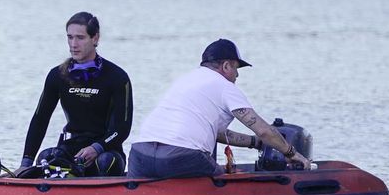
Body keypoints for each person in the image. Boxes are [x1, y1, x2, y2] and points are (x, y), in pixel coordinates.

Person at [127, 39, 311, 179]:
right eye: (236, 68)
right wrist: (292, 154)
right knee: (223, 174)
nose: (237, 74)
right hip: (179, 159)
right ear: (225, 66)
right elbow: (263, 130)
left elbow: (215, 132)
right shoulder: (225, 86)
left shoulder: (184, 81)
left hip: (140, 155)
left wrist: (255, 143)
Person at [20, 11, 133, 176]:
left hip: (107, 151)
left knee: (106, 162)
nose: (73, 44)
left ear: (95, 38)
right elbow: (40, 119)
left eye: (80, 38)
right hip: (71, 149)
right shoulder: (57, 75)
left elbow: (122, 128)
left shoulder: (117, 77)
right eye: (70, 37)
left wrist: (97, 148)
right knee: (46, 157)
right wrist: (25, 163)